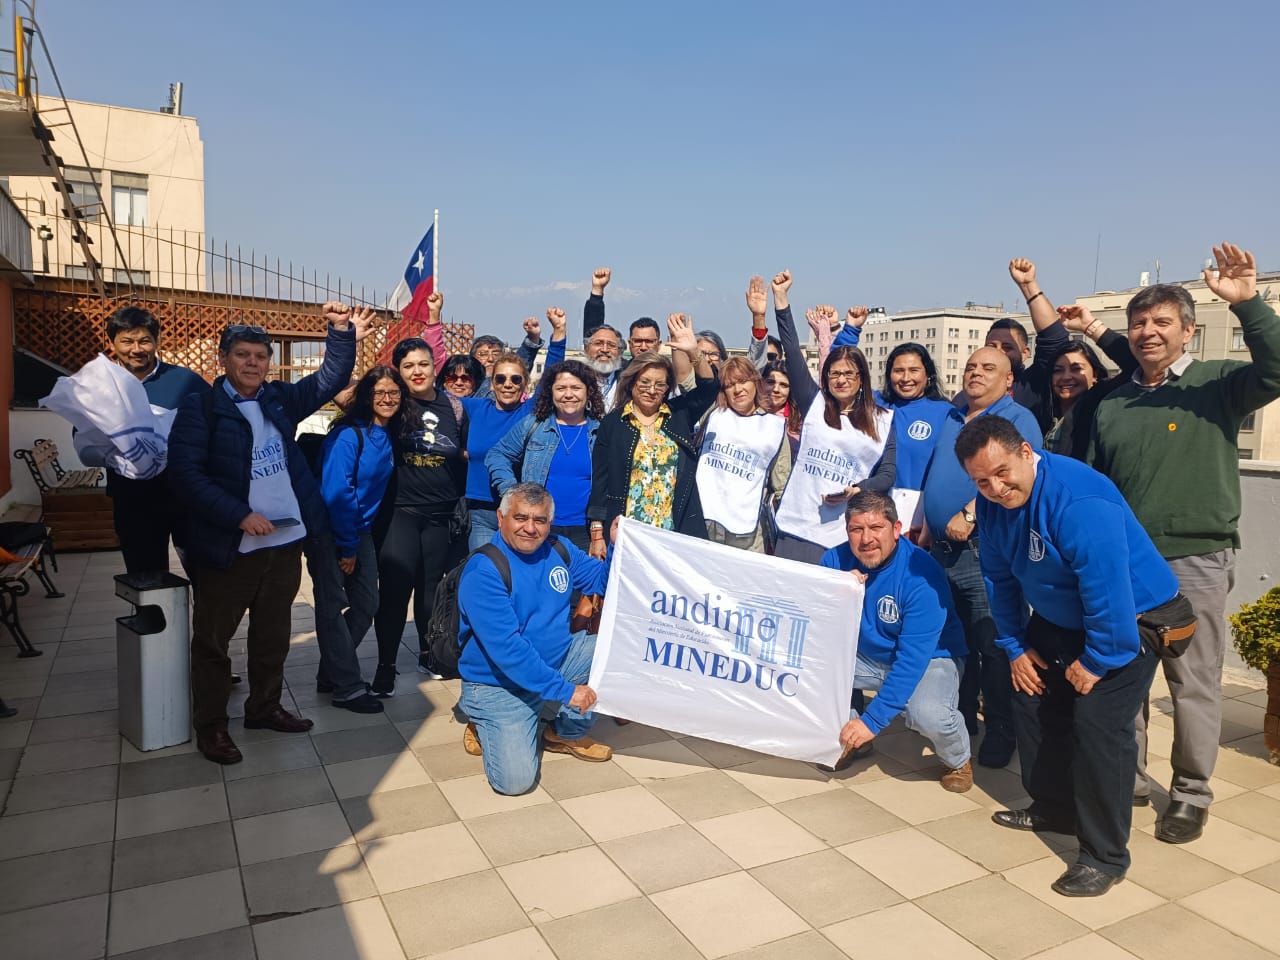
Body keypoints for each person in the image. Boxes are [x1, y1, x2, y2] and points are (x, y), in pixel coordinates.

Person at [1088, 242, 1280, 844]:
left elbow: (1275, 369)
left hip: (1195, 559)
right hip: (1126, 564)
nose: (1147, 332)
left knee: (1192, 683)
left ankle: (1192, 794)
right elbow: (1097, 488)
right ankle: (1134, 779)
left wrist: (1250, 305)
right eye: (1139, 323)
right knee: (1128, 679)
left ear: (1189, 332)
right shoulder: (1114, 399)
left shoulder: (1216, 383)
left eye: (1161, 322)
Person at [958, 415, 1176, 897]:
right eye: (981, 481)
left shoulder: (1079, 500)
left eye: (1002, 472)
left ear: (1026, 453)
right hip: (1062, 617)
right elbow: (999, 578)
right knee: (1032, 699)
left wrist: (1097, 660)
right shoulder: (992, 507)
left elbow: (1107, 590)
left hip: (1132, 618)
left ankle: (1105, 855)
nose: (995, 487)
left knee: (1099, 726)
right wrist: (1016, 646)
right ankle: (1053, 806)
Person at [168, 304, 371, 764]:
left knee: (272, 636)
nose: (254, 363)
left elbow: (330, 379)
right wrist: (238, 514)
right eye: (243, 355)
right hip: (230, 547)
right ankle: (212, 726)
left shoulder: (277, 398)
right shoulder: (202, 406)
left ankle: (264, 707)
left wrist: (339, 331)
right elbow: (185, 475)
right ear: (223, 359)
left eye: (260, 355)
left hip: (283, 544)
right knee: (214, 642)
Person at [920, 346, 1042, 769]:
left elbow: (1021, 475)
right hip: (939, 547)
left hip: (982, 549)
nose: (976, 373)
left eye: (988, 368)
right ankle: (962, 717)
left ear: (1008, 380)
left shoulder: (1017, 419)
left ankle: (1002, 728)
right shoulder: (953, 416)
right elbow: (938, 473)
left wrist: (971, 512)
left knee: (992, 642)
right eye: (971, 366)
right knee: (954, 640)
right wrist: (926, 521)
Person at [457, 482, 616, 795]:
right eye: (521, 518)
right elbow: (509, 651)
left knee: (608, 649)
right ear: (501, 518)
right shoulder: (484, 570)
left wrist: (614, 546)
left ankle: (562, 731)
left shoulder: (558, 549)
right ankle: (483, 717)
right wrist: (565, 691)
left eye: (540, 520)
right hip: (499, 684)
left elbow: (600, 580)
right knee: (515, 783)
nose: (530, 528)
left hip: (554, 663)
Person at [821, 492, 972, 790]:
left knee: (926, 713)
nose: (866, 539)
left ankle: (958, 759)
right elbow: (816, 626)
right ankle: (851, 741)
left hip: (932, 657)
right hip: (868, 656)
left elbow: (912, 660)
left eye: (876, 528)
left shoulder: (922, 574)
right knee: (818, 668)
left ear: (896, 528)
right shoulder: (833, 560)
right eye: (856, 529)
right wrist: (834, 592)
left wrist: (872, 722)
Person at [769, 271, 896, 564]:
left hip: (842, 534)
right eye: (834, 373)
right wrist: (781, 300)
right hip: (797, 527)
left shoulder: (883, 420)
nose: (841, 380)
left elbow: (887, 474)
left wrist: (860, 489)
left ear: (861, 378)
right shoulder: (814, 403)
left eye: (849, 373)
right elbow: (790, 349)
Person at [73, 305, 209, 576]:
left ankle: (206, 620)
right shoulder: (98, 388)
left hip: (186, 495)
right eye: (127, 341)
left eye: (145, 340)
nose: (137, 348)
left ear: (157, 342)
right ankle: (151, 619)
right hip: (133, 499)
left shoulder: (185, 381)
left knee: (206, 575)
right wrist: (117, 452)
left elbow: (215, 426)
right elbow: (84, 447)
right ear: (112, 342)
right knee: (145, 580)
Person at [306, 365, 405, 715]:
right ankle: (346, 687)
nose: (388, 399)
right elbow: (337, 491)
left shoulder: (387, 432)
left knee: (366, 604)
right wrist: (347, 547)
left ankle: (331, 672)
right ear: (366, 397)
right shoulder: (349, 435)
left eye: (394, 392)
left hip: (358, 530)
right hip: (331, 531)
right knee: (332, 608)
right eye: (379, 393)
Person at [373, 334, 468, 693]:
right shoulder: (392, 404)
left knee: (431, 591)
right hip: (400, 511)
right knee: (395, 591)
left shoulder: (455, 408)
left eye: (424, 364)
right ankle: (386, 664)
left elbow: (464, 456)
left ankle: (429, 653)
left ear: (434, 366)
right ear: (398, 370)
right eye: (408, 365)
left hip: (441, 515)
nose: (417, 371)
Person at [587, 314, 717, 557]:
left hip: (673, 533)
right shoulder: (613, 423)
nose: (651, 390)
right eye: (644, 382)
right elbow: (600, 483)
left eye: (659, 384)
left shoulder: (679, 414)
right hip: (627, 534)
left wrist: (693, 353)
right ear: (632, 382)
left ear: (668, 387)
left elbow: (709, 389)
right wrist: (597, 533)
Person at [449, 308, 567, 550]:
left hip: (522, 512)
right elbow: (435, 399)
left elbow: (552, 374)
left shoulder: (531, 411)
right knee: (486, 573)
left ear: (524, 383)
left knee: (517, 577)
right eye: (501, 379)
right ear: (491, 383)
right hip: (481, 511)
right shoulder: (474, 407)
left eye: (515, 380)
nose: (508, 385)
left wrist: (559, 331)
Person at [486, 359, 605, 551]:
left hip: (585, 531)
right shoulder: (534, 425)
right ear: (551, 392)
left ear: (588, 391)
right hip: (538, 527)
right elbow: (497, 454)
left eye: (576, 388)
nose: (568, 395)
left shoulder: (601, 431)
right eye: (561, 388)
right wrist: (511, 491)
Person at [695, 356, 791, 552]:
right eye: (730, 385)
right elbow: (687, 381)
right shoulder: (713, 414)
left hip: (748, 534)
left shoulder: (774, 427)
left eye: (742, 381)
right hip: (705, 522)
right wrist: (692, 352)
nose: (737, 390)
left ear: (756, 382)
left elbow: (781, 486)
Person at [983, 258, 1070, 433]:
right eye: (992, 346)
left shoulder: (1033, 385)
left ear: (1025, 353)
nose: (998, 352)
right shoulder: (966, 395)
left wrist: (1028, 285)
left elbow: (1054, 337)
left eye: (1007, 347)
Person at [1044, 304, 1139, 460]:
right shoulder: (1042, 408)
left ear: (1095, 374)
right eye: (1058, 370)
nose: (1066, 376)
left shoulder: (1100, 402)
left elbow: (1135, 364)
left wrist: (1091, 327)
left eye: (1076, 369)